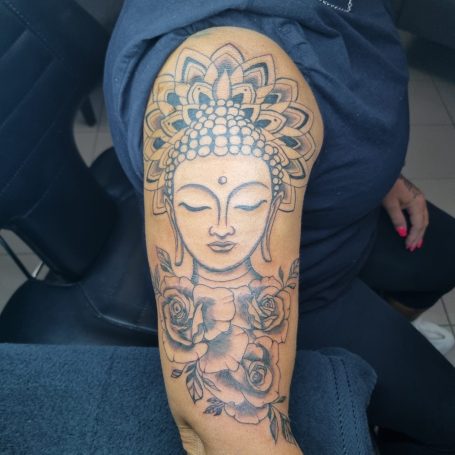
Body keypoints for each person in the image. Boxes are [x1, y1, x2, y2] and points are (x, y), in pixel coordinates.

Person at [104, 0, 455, 454]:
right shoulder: (223, 76)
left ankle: (392, 365)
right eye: (199, 204)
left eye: (245, 202)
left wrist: (372, 168)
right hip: (310, 296)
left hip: (348, 219)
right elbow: (229, 436)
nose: (222, 227)